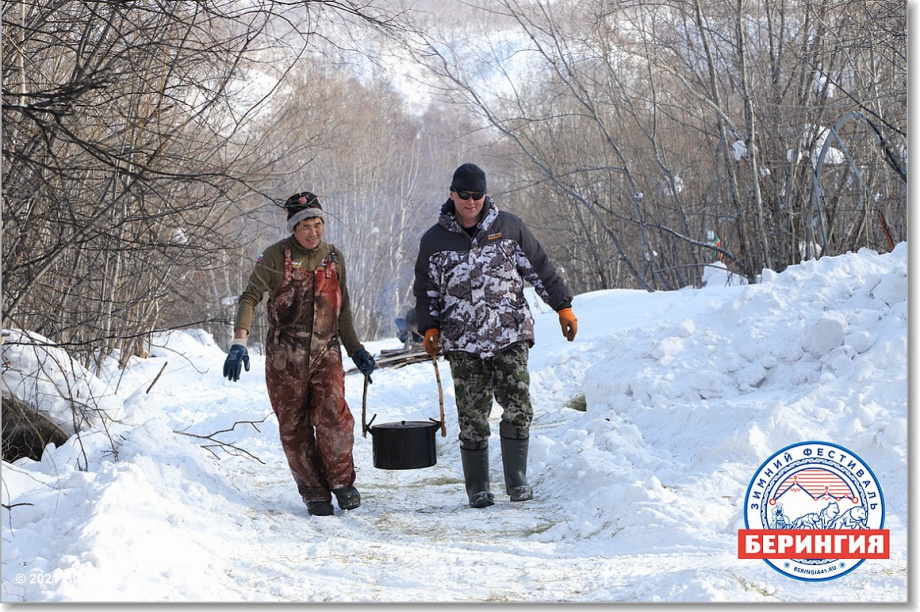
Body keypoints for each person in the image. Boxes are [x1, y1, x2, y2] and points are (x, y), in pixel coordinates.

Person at [413, 163, 578, 508]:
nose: (471, 202)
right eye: (465, 196)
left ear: (485, 195)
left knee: (518, 406)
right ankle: (478, 487)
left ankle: (516, 480)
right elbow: (426, 292)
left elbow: (540, 268)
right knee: (472, 415)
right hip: (463, 342)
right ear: (452, 195)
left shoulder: (509, 228)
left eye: (478, 195)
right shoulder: (434, 241)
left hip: (510, 333)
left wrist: (562, 306)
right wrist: (429, 328)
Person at [223, 191, 376, 517]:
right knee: (294, 428)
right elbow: (249, 297)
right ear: (294, 228)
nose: (313, 232)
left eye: (318, 224)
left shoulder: (334, 257)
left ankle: (341, 482)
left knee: (334, 415)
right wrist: (239, 341)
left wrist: (357, 350)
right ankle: (315, 493)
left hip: (326, 353)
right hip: (284, 359)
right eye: (306, 225)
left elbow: (343, 310)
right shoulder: (274, 257)